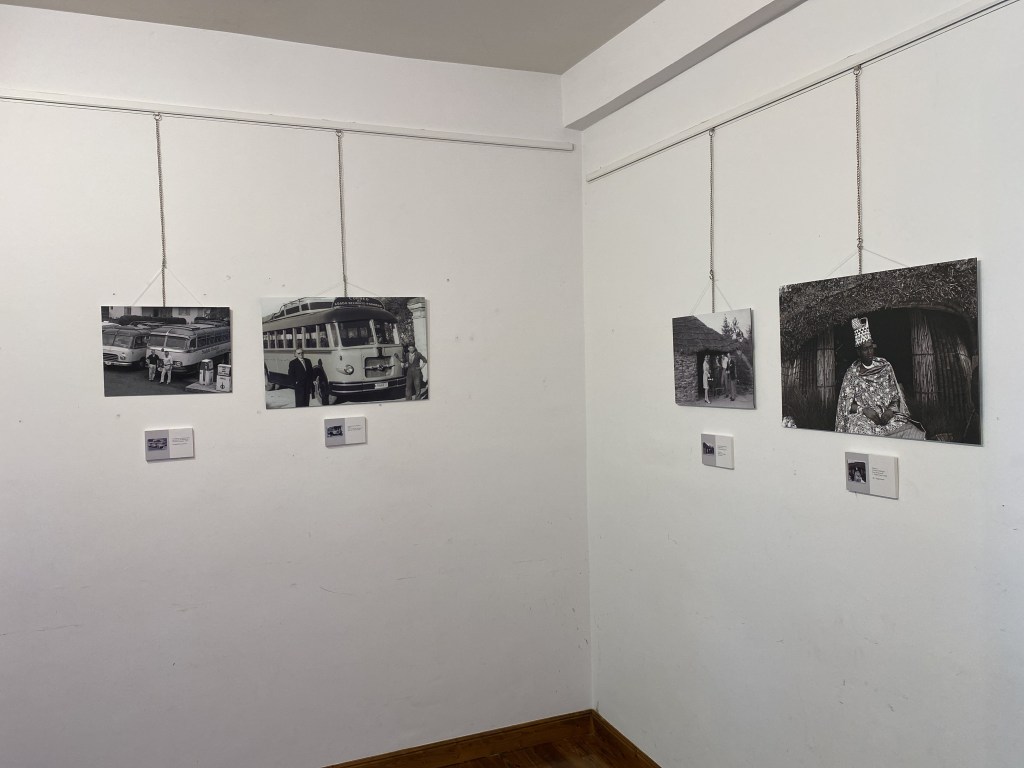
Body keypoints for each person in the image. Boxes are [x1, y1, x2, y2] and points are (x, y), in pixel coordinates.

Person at [835, 317, 925, 439]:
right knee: (858, 429)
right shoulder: (852, 373)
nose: (869, 352)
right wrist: (863, 410)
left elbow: (895, 397)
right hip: (864, 418)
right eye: (865, 349)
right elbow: (846, 404)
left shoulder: (885, 366)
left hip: (886, 416)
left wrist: (890, 411)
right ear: (858, 352)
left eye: (871, 347)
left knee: (911, 430)